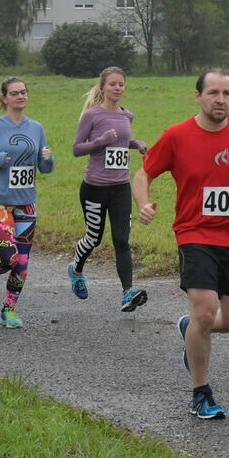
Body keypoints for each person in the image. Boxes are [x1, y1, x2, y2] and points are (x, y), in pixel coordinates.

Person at [132, 69, 229, 419]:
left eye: (226, 93)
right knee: (205, 309)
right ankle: (201, 392)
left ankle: (190, 328)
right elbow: (143, 174)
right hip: (195, 233)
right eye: (213, 93)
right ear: (198, 96)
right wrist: (143, 204)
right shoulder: (177, 135)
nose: (220, 100)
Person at [0, 77, 54, 329]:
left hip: (26, 203)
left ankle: (8, 310)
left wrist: (48, 159)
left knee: (23, 265)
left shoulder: (36, 128)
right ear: (5, 98)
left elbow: (45, 168)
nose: (21, 96)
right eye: (15, 93)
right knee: (10, 259)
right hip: (0, 203)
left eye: (24, 92)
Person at [68, 66, 149, 312]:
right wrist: (100, 142)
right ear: (102, 88)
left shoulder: (127, 115)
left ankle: (128, 293)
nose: (117, 88)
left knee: (121, 240)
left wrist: (137, 144)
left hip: (121, 188)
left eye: (121, 84)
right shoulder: (92, 116)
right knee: (93, 238)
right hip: (95, 188)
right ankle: (76, 269)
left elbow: (122, 142)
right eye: (112, 84)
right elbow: (76, 148)